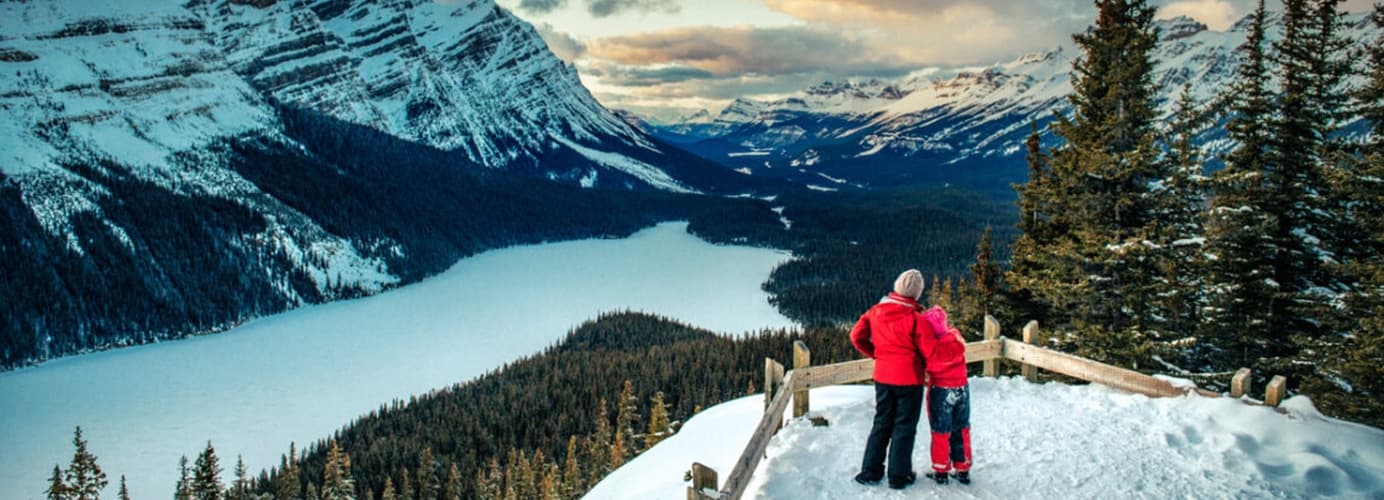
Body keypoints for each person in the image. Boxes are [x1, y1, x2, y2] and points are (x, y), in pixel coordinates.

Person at [849, 269, 964, 490]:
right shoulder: (915, 319)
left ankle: (870, 472)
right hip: (910, 379)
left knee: (881, 422)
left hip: (883, 377)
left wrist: (877, 355)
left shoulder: (875, 311)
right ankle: (898, 476)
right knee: (904, 427)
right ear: (917, 294)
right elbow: (932, 353)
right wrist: (957, 347)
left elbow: (856, 337)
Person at [921, 305, 973, 485]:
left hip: (941, 390)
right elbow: (953, 332)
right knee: (961, 428)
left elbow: (926, 365)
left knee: (940, 431)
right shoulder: (956, 340)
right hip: (962, 388)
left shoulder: (932, 349)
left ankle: (941, 469)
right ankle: (963, 468)